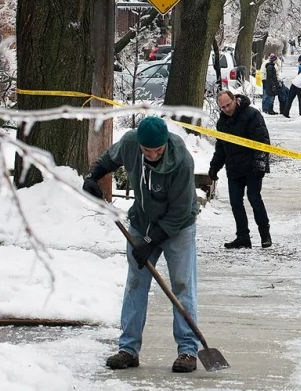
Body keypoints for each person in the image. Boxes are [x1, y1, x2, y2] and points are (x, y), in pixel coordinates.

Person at [82, 116, 200, 373]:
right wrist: (93, 176)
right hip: (142, 220)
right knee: (135, 282)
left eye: (158, 150)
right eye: (147, 150)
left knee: (182, 285)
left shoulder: (181, 160)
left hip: (179, 226)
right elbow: (108, 159)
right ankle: (128, 348)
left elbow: (179, 212)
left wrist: (149, 241)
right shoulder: (129, 143)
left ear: (165, 143)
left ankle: (188, 351)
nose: (153, 155)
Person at [208, 91, 272, 248]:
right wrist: (214, 167)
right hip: (234, 168)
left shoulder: (252, 115)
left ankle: (265, 234)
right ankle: (243, 237)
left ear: (235, 99)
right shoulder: (222, 123)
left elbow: (262, 140)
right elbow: (221, 148)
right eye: (223, 107)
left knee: (254, 198)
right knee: (236, 202)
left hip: (252, 167)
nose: (227, 109)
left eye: (228, 105)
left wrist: (260, 163)